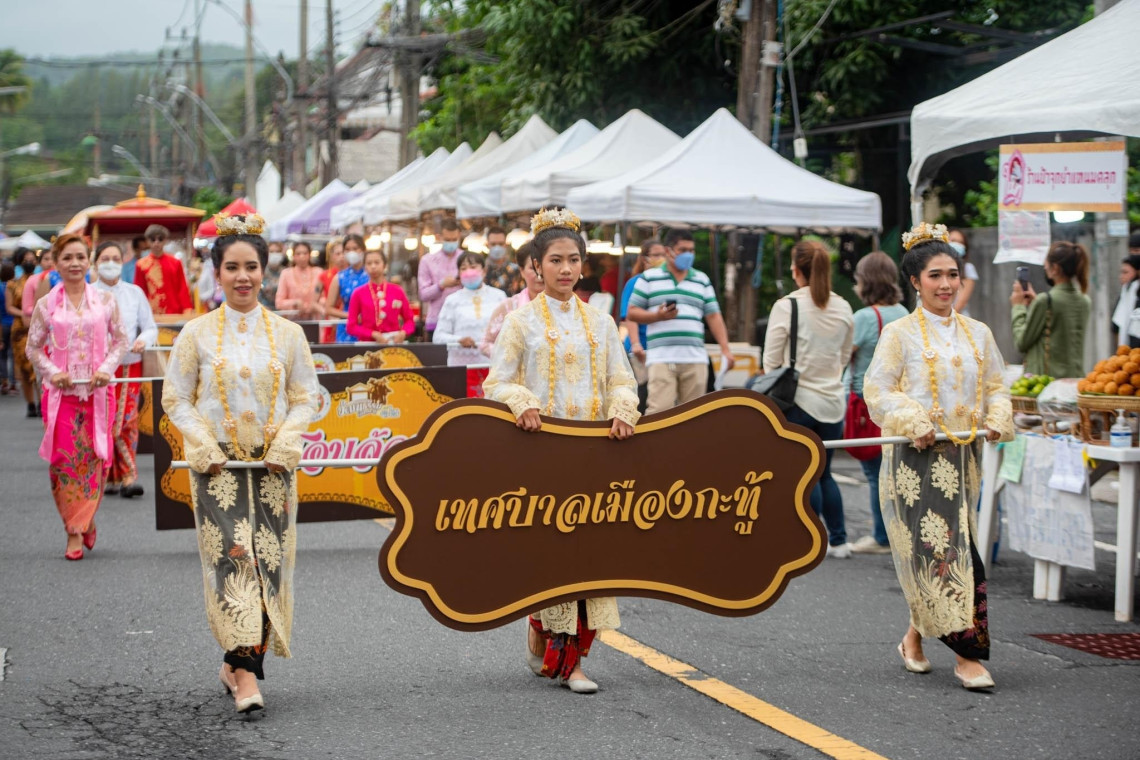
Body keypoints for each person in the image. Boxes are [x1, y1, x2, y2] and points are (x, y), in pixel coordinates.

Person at [162, 213, 320, 714]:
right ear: (217, 272)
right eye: (232, 267)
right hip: (218, 472)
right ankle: (246, 675)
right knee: (235, 561)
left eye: (251, 266)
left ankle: (235, 665)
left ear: (264, 270)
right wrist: (202, 444)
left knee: (268, 563)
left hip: (273, 469)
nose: (243, 277)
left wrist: (288, 440)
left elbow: (307, 396)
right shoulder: (195, 334)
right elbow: (175, 397)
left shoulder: (289, 334)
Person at [483, 207, 639, 694]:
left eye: (573, 260)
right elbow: (496, 382)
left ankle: (572, 659)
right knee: (551, 555)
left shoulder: (602, 322)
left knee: (590, 556)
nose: (566, 269)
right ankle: (550, 640)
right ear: (536, 265)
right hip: (542, 458)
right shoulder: (519, 322)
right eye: (555, 260)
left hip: (595, 457)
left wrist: (622, 409)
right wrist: (522, 401)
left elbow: (621, 378)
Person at [864, 221, 1013, 692]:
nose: (946, 284)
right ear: (915, 281)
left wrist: (998, 416)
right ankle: (969, 657)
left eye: (953, 274)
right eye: (935, 276)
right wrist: (914, 420)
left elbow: (996, 386)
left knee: (952, 550)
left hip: (965, 458)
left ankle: (913, 638)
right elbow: (878, 391)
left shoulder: (979, 333)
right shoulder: (899, 334)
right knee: (944, 553)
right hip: (917, 460)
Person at [25, 234, 128, 560]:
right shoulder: (46, 305)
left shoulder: (106, 301)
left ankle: (85, 516)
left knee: (94, 459)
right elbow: (33, 348)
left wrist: (106, 369)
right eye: (67, 258)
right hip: (61, 396)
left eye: (80, 257)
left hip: (98, 394)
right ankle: (74, 528)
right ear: (56, 263)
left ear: (89, 261)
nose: (74, 263)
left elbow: (121, 341)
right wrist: (53, 371)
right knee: (64, 463)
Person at [763, 240, 855, 558]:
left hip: (798, 401)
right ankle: (839, 541)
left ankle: (809, 541)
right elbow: (844, 356)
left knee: (803, 473)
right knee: (825, 472)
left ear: (796, 270)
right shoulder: (844, 307)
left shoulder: (787, 306)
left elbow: (771, 361)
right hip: (833, 401)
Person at [626, 229, 734, 414]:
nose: (688, 255)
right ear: (668, 251)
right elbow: (632, 313)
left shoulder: (701, 279)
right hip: (661, 357)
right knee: (659, 412)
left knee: (693, 415)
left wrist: (725, 349)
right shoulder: (649, 278)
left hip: (695, 358)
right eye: (683, 250)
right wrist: (657, 316)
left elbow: (713, 316)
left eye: (691, 250)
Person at [846, 252, 909, 556]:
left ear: (865, 281)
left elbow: (844, 355)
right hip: (901, 400)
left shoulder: (864, 318)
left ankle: (881, 537)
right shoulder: (903, 312)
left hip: (868, 402)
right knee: (896, 471)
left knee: (874, 473)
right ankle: (899, 532)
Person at [92, 241, 158, 498]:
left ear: (123, 262)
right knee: (103, 420)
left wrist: (143, 340)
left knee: (127, 420)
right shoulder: (87, 294)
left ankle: (129, 476)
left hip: (129, 364)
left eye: (115, 259)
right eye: (105, 259)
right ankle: (107, 475)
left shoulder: (134, 293)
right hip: (97, 368)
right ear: (96, 263)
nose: (110, 263)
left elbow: (150, 327)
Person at [1010, 241, 1091, 379]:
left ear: (1055, 268)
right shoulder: (1085, 301)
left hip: (1047, 382)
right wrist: (1037, 302)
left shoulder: (1046, 301)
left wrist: (1018, 306)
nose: (1045, 267)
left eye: (1046, 264)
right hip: (1075, 379)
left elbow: (1021, 342)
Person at [433, 251, 507, 365]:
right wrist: (459, 340)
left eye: (473, 267)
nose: (468, 272)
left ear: (484, 270)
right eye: (463, 268)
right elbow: (438, 337)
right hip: (461, 366)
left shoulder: (499, 296)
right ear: (459, 273)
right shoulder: (452, 301)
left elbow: (510, 330)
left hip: (493, 365)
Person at [621, 239, 667, 414]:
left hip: (662, 350)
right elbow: (629, 316)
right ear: (645, 259)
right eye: (656, 255)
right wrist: (636, 343)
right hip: (641, 350)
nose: (661, 258)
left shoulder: (667, 282)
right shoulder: (636, 282)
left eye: (663, 255)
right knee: (641, 398)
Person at [480, 242, 541, 356]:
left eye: (543, 267)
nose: (539, 274)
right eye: (533, 268)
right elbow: (485, 344)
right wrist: (511, 357)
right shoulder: (509, 306)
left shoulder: (564, 304)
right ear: (522, 271)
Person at [346, 248, 415, 344]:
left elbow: (410, 321)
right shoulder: (358, 293)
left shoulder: (397, 291)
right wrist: (372, 334)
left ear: (384, 265)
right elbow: (351, 326)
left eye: (377, 262)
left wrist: (403, 333)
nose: (373, 266)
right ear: (365, 267)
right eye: (369, 263)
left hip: (393, 343)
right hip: (368, 344)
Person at [418, 218, 464, 340]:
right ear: (439, 237)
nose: (451, 243)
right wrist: (441, 285)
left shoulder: (466, 259)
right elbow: (423, 295)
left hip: (462, 319)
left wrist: (464, 282)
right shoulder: (427, 260)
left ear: (459, 236)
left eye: (454, 239)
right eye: (447, 240)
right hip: (436, 320)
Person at [134, 224, 193, 317]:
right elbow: (139, 290)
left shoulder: (176, 262)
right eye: (153, 239)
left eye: (160, 239)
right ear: (147, 241)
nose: (156, 243)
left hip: (174, 313)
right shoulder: (140, 265)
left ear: (165, 240)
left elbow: (182, 288)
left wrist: (187, 309)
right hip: (150, 314)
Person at [7, 253, 38, 414]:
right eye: (26, 260)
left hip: (39, 327)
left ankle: (42, 402)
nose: (29, 263)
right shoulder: (13, 284)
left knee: (39, 368)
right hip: (20, 331)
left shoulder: (42, 281)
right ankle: (30, 404)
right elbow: (9, 307)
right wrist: (24, 313)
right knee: (25, 369)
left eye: (32, 260)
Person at [324, 234, 369, 343]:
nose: (351, 252)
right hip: (346, 330)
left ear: (363, 249)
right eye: (347, 249)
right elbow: (328, 308)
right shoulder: (340, 277)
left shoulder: (372, 274)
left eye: (355, 248)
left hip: (370, 328)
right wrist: (351, 316)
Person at [275, 241, 324, 319]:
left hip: (315, 319)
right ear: (293, 256)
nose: (302, 256)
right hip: (293, 320)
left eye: (305, 253)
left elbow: (326, 297)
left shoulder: (318, 272)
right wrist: (294, 303)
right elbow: (279, 302)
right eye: (298, 254)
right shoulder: (286, 273)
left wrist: (317, 304)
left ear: (310, 255)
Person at [483, 225, 524, 296]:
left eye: (500, 244)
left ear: (506, 245)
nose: (497, 248)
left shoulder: (516, 270)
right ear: (487, 245)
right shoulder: (481, 271)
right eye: (493, 244)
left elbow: (523, 294)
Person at [1111, 253, 1140, 350]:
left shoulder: (1135, 295)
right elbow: (1116, 325)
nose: (1121, 276)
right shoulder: (1126, 293)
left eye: (1125, 272)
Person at [318, 237, 345, 343]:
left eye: (343, 253)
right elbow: (313, 302)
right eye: (338, 253)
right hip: (331, 319)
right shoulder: (324, 276)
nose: (341, 256)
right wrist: (325, 311)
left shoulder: (354, 276)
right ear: (331, 256)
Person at [948, 229, 978, 317]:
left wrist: (946, 319)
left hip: (957, 317)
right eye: (953, 240)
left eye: (960, 242)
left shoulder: (967, 268)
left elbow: (962, 300)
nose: (957, 244)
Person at [259, 241, 287, 309]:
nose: (274, 254)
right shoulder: (260, 272)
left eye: (277, 251)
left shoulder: (287, 273)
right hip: (264, 310)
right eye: (271, 251)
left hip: (284, 311)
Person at [0, 260, 14, 395]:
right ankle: (13, 384)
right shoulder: (14, 287)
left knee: (2, 354)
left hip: (2, 323)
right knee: (13, 355)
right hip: (14, 322)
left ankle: (4, 382)